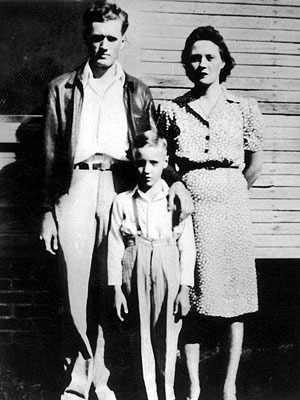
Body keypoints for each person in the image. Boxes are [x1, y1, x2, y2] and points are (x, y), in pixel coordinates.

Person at [39, 2, 193, 400]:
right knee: (73, 286)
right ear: (85, 39)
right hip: (73, 188)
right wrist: (47, 211)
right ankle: (77, 378)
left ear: (123, 40)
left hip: (118, 186)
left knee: (108, 284)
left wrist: (173, 181)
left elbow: (152, 144)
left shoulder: (137, 90)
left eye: (111, 38)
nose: (103, 45)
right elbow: (51, 153)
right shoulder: (62, 88)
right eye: (96, 37)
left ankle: (102, 378)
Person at [157, 26, 263, 400]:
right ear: (186, 63)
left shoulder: (243, 109)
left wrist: (229, 190)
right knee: (192, 297)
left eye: (209, 57)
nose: (201, 64)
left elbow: (253, 165)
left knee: (234, 301)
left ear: (223, 63)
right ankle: (195, 387)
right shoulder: (171, 110)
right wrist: (178, 183)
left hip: (231, 210)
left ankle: (229, 385)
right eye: (194, 57)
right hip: (191, 210)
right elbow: (162, 162)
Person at [107, 130, 196, 400]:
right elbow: (114, 245)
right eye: (140, 162)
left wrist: (184, 287)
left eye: (154, 163)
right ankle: (148, 394)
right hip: (136, 266)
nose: (146, 169)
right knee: (141, 332)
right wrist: (116, 288)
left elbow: (187, 246)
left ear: (166, 161)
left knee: (168, 334)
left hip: (168, 263)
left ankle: (167, 392)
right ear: (133, 162)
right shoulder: (123, 201)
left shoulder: (174, 201)